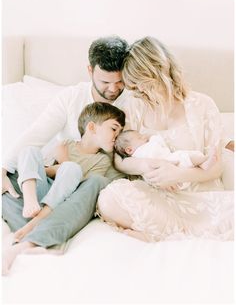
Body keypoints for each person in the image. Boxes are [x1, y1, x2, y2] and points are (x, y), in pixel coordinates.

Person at [97, 36, 234, 242]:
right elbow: (119, 158)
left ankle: (169, 233)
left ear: (160, 73)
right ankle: (173, 231)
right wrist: (145, 165)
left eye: (143, 84)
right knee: (109, 199)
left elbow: (216, 167)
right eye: (134, 86)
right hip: (159, 198)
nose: (140, 91)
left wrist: (178, 174)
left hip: (201, 198)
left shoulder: (202, 105)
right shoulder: (135, 106)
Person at [2, 36, 129, 255]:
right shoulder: (71, 97)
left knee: (97, 182)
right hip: (55, 181)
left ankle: (38, 235)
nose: (113, 89)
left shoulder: (132, 103)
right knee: (13, 179)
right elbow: (36, 135)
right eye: (105, 82)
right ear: (90, 71)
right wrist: (3, 168)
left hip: (84, 187)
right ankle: (39, 231)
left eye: (119, 82)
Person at [3, 102, 126, 275]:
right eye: (114, 129)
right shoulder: (66, 144)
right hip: (44, 193)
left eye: (120, 132)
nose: (117, 136)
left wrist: (65, 163)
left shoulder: (103, 160)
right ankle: (31, 208)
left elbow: (82, 190)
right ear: (92, 127)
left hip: (63, 202)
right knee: (28, 152)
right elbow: (44, 171)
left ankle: (34, 229)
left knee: (75, 171)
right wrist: (58, 167)